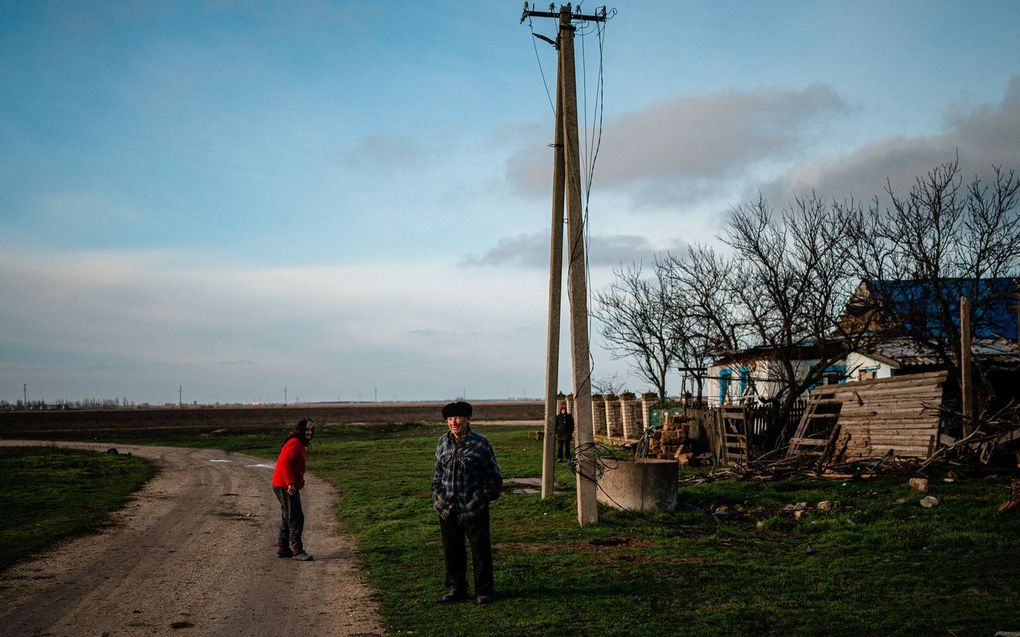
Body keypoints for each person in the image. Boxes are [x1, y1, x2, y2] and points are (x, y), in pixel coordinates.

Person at [432, 401, 502, 605]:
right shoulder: (442, 443)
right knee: (452, 551)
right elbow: (437, 474)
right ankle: (457, 588)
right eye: (450, 419)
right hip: (447, 508)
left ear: (467, 419)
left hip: (473, 508)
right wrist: (438, 495)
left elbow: (494, 478)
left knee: (481, 551)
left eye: (457, 418)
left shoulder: (480, 443)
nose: (453, 422)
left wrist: (482, 498)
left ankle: (484, 591)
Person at [271, 418, 314, 561]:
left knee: (287, 515)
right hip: (285, 485)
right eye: (306, 429)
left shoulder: (297, 442)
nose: (309, 432)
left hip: (282, 484)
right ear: (300, 430)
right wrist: (290, 483)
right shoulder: (295, 443)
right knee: (296, 517)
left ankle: (283, 548)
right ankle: (297, 550)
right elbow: (284, 464)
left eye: (311, 430)